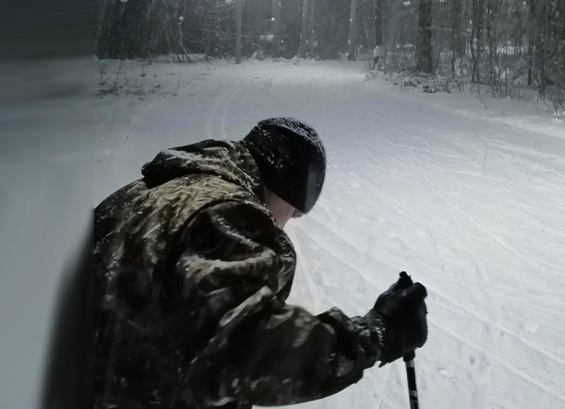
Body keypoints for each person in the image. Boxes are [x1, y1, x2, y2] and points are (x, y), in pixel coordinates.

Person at [91, 117, 429, 409]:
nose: (291, 220)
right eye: (297, 210)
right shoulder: (227, 212)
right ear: (287, 185)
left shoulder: (143, 193)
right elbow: (244, 347)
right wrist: (374, 334)